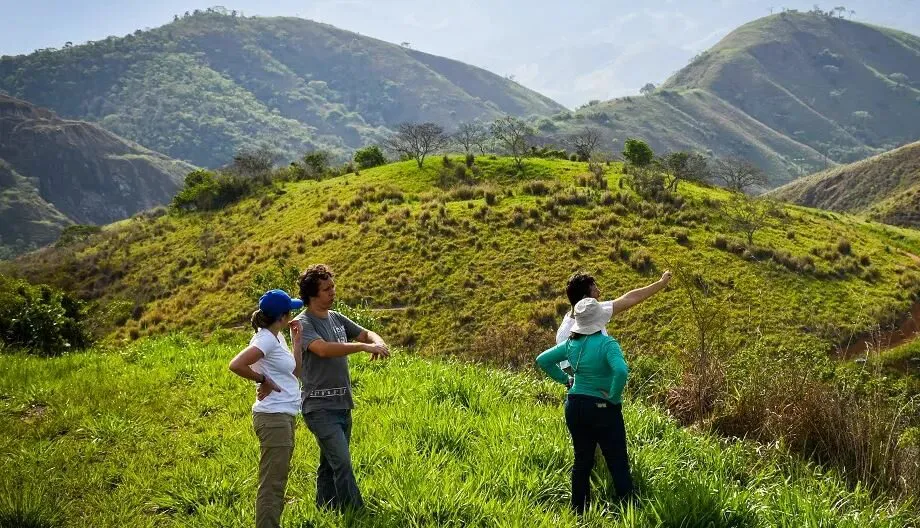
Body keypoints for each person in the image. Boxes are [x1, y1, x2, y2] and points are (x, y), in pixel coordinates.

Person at [537, 271, 671, 514]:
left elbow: (544, 360)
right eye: (594, 287)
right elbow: (620, 371)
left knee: (581, 461)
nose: (599, 290)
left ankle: (579, 512)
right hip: (602, 404)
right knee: (617, 460)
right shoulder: (608, 344)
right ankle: (629, 508)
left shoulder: (568, 338)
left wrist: (568, 381)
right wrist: (613, 396)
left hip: (575, 404)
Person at [291, 264, 391, 511]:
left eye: (333, 286)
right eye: (326, 289)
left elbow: (366, 333)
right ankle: (356, 513)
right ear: (312, 295)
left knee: (330, 464)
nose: (332, 292)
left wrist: (377, 342)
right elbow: (322, 349)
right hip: (319, 407)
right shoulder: (302, 323)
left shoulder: (336, 317)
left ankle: (325, 508)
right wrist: (362, 347)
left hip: (342, 405)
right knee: (343, 464)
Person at [229, 289, 305, 528]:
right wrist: (262, 380)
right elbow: (236, 364)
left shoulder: (276, 337)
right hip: (273, 418)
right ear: (282, 316)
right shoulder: (264, 339)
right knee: (272, 484)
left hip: (283, 416)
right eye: (290, 310)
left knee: (277, 480)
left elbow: (295, 372)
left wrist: (297, 342)